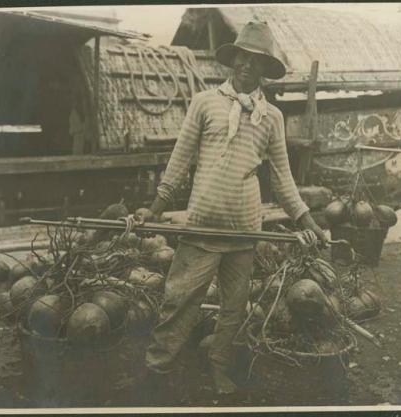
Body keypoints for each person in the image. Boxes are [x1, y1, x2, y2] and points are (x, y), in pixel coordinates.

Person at [135, 21, 326, 401]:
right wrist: (155, 209)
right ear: (232, 59)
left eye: (256, 61)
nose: (246, 66)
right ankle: (158, 369)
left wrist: (310, 222)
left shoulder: (271, 117)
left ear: (264, 69)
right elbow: (180, 160)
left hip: (245, 231)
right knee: (179, 301)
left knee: (234, 310)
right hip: (203, 225)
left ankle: (220, 368)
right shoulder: (205, 103)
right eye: (242, 57)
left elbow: (283, 179)